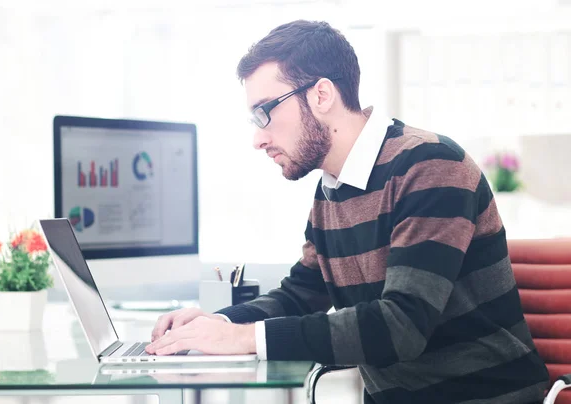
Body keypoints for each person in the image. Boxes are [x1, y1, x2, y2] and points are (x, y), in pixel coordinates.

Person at [146, 20, 549, 403]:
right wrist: (221, 323)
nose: (257, 138)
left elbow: (401, 328)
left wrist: (246, 339)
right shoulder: (332, 191)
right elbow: (301, 295)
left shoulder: (430, 166)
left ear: (322, 95)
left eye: (264, 112)